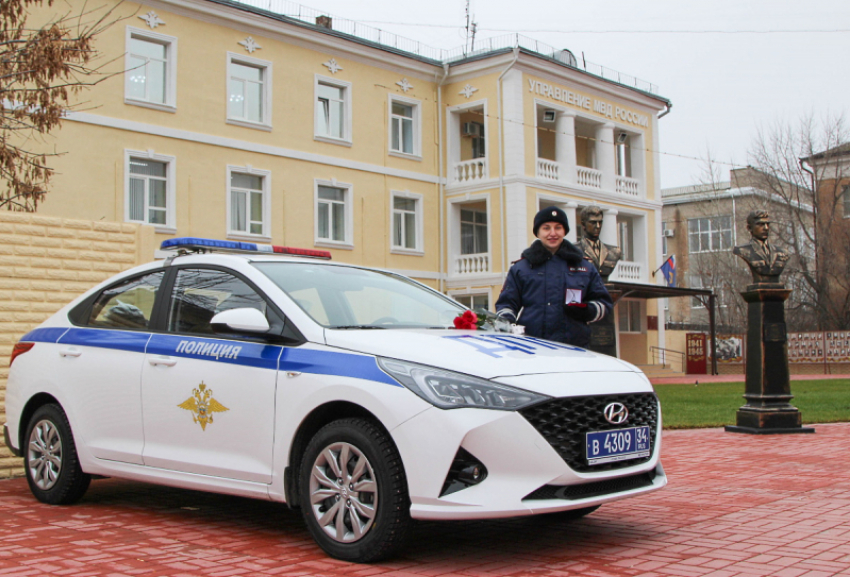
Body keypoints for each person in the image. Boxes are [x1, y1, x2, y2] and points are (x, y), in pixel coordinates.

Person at [496, 206, 613, 348]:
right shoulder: (521, 268)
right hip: (532, 347)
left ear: (564, 231)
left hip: (574, 349)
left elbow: (604, 304)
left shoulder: (585, 267)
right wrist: (508, 324)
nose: (553, 233)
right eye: (546, 228)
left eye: (558, 228)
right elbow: (506, 304)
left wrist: (587, 310)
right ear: (537, 232)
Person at [731, 210, 789, 285]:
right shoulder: (742, 250)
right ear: (749, 228)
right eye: (760, 224)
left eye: (767, 224)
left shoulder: (782, 252)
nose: (766, 228)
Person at [575, 205, 622, 282]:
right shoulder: (574, 250)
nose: (598, 226)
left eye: (600, 222)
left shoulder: (614, 252)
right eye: (593, 222)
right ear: (583, 225)